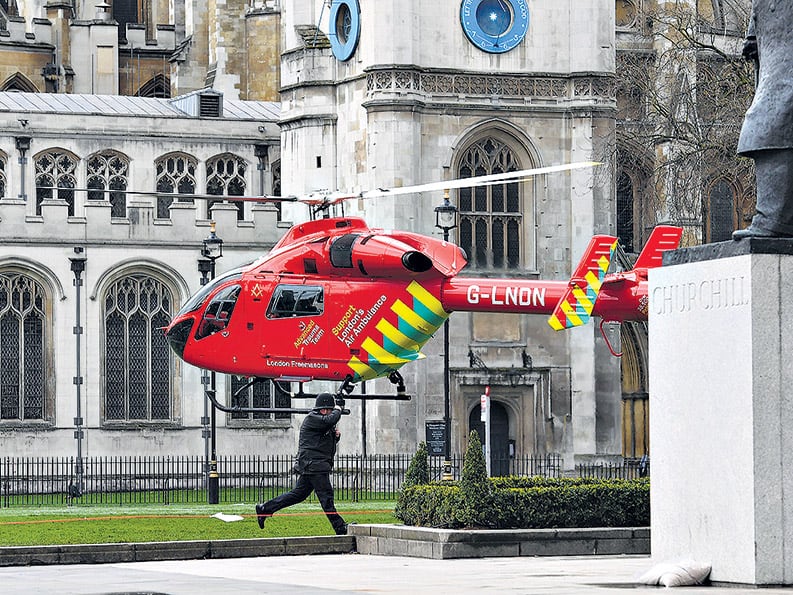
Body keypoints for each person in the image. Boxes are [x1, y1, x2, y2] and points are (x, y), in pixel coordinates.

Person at [733, 0, 793, 239]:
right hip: (773, 40)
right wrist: (752, 33)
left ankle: (773, 218)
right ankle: (774, 217)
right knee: (766, 124)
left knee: (770, 124)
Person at [255, 392, 350, 535]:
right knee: (326, 497)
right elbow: (330, 420)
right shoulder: (313, 418)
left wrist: (336, 438)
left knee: (298, 495)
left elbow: (321, 444)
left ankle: (265, 509)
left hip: (313, 464)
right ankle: (340, 528)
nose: (331, 412)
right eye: (330, 409)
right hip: (314, 465)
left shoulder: (322, 422)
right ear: (323, 409)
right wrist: (338, 408)